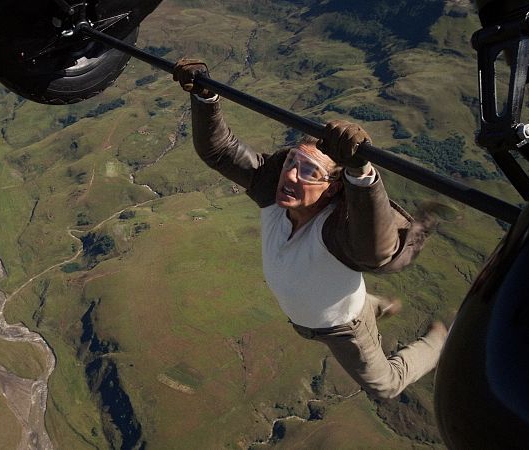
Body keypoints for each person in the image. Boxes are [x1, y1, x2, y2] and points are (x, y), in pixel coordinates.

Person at [173, 58, 448, 399]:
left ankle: (438, 344)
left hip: (342, 328)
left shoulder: (334, 232)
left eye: (308, 172)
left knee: (385, 386)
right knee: (339, 310)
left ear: (332, 188)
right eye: (291, 162)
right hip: (311, 317)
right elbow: (220, 151)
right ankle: (378, 305)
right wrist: (204, 95)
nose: (290, 175)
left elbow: (375, 249)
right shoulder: (273, 196)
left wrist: (360, 173)